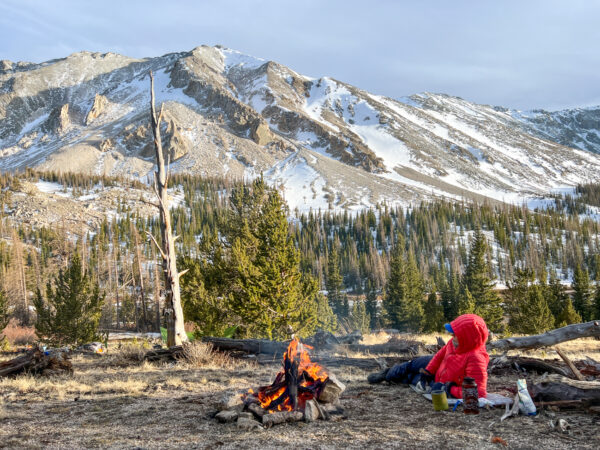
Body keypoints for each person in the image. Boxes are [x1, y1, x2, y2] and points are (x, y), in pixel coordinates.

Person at [368, 313, 490, 399]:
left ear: (467, 337)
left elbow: (478, 392)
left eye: (455, 334)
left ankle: (390, 377)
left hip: (439, 383)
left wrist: (448, 389)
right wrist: (427, 372)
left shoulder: (476, 359)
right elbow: (438, 357)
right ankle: (387, 373)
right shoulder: (454, 343)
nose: (452, 336)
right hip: (437, 368)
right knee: (410, 365)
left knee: (410, 378)